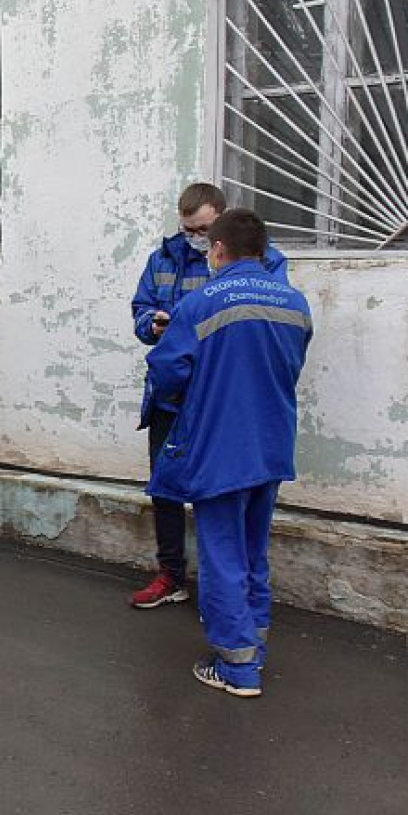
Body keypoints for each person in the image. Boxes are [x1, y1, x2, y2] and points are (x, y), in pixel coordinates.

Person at [144, 209, 311, 698]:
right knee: (253, 550)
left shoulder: (201, 303)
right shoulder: (294, 302)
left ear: (217, 249)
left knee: (221, 554)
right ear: (263, 250)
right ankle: (253, 641)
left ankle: (236, 667)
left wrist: (184, 405)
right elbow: (290, 365)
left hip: (220, 446)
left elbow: (168, 370)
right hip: (272, 443)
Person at [127, 183, 286, 609]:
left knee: (223, 496)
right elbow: (140, 313)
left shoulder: (261, 262)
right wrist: (153, 325)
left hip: (223, 400)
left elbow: (270, 323)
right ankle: (172, 576)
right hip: (172, 399)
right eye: (188, 229)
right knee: (165, 488)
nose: (196, 238)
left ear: (222, 221)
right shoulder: (163, 259)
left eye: (203, 230)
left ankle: (229, 597)